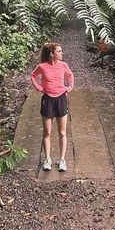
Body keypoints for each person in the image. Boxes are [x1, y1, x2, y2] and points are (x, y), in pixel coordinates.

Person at [30, 42, 75, 172]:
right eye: (59, 51)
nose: (62, 53)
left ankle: (62, 160)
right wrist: (39, 88)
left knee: (62, 132)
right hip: (48, 99)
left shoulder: (63, 65)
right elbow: (33, 76)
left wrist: (69, 87)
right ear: (52, 54)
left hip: (61, 98)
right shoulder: (42, 67)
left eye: (61, 51)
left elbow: (70, 76)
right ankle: (48, 159)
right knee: (47, 132)